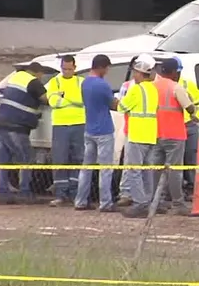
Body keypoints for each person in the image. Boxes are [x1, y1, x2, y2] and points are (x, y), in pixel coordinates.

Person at [0, 62, 47, 205]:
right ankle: (25, 192)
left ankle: (4, 193)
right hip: (15, 127)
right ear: (38, 73)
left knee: (5, 161)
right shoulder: (34, 82)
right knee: (26, 158)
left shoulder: (16, 78)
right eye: (42, 75)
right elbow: (47, 99)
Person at [152, 57, 199, 216]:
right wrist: (194, 113)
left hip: (157, 133)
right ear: (173, 72)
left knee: (156, 170)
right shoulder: (176, 87)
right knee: (175, 171)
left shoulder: (153, 86)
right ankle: (178, 203)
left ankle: (157, 202)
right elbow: (189, 107)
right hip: (175, 134)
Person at [116, 54, 160, 218]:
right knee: (147, 170)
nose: (134, 75)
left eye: (136, 72)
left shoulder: (136, 89)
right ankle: (147, 202)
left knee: (134, 170)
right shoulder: (153, 89)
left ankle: (140, 203)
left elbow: (122, 106)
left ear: (141, 73)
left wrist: (116, 101)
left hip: (137, 134)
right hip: (150, 134)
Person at [74, 54, 119, 212]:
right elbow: (113, 105)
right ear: (101, 67)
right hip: (104, 130)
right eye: (106, 68)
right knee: (105, 168)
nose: (107, 71)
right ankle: (105, 202)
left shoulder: (85, 83)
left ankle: (80, 200)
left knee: (86, 167)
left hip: (89, 129)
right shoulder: (103, 85)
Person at [45, 55, 85, 207]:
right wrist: (73, 100)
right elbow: (53, 101)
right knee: (60, 159)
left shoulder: (81, 82)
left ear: (75, 67)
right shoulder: (54, 81)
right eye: (64, 69)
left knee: (78, 158)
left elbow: (83, 100)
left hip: (79, 124)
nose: (66, 71)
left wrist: (65, 97)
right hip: (61, 125)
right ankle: (61, 194)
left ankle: (75, 193)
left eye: (69, 69)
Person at [178, 56, 199, 197]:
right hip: (174, 128)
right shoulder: (163, 85)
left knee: (191, 158)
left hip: (189, 126)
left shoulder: (187, 84)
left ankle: (192, 188)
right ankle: (178, 189)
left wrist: (197, 117)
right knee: (177, 160)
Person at [116, 55, 139, 206]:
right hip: (132, 128)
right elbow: (122, 106)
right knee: (130, 163)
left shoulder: (150, 86)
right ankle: (126, 192)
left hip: (147, 130)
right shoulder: (127, 86)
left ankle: (134, 194)